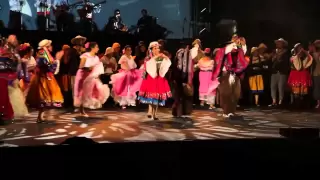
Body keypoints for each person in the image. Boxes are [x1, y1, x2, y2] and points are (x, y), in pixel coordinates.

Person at [212, 19, 249, 118]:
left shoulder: (238, 50)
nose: (236, 39)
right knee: (226, 93)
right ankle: (226, 112)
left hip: (235, 74)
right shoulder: (224, 49)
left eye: (237, 38)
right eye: (234, 38)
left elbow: (243, 53)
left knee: (235, 94)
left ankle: (231, 111)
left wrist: (243, 44)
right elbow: (223, 53)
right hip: (225, 74)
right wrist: (234, 43)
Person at [26, 39, 64, 123]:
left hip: (47, 77)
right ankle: (40, 116)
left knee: (45, 98)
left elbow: (50, 64)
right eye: (50, 45)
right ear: (47, 46)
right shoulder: (43, 53)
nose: (51, 47)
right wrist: (56, 61)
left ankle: (41, 116)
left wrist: (55, 62)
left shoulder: (45, 53)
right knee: (43, 97)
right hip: (43, 78)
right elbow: (45, 64)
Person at [138, 42, 171, 120]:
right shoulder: (148, 57)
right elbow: (147, 65)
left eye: (158, 48)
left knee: (157, 95)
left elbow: (167, 63)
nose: (157, 50)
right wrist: (155, 58)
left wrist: (165, 58)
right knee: (151, 94)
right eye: (155, 48)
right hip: (151, 77)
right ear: (151, 50)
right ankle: (150, 110)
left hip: (159, 77)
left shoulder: (162, 56)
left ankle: (155, 113)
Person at [74, 42, 110, 116]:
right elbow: (81, 66)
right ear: (92, 48)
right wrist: (88, 68)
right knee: (82, 92)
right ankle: (81, 110)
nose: (98, 49)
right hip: (83, 75)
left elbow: (97, 67)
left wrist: (97, 75)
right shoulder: (85, 55)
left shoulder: (96, 57)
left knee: (96, 89)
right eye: (97, 47)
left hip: (92, 75)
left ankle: (87, 106)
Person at [171, 42, 194, 119]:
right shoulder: (187, 53)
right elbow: (187, 67)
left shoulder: (178, 53)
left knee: (179, 95)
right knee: (184, 95)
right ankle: (182, 111)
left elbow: (175, 66)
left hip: (178, 76)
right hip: (183, 76)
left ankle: (178, 111)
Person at [0, 35, 20, 124]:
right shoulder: (6, 51)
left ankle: (4, 114)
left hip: (3, 75)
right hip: (3, 75)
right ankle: (4, 114)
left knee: (3, 95)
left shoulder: (7, 51)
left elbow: (14, 63)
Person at [269, 38, 290, 107]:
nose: (278, 44)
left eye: (280, 43)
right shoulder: (274, 52)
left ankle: (280, 101)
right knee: (273, 86)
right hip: (274, 71)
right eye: (277, 43)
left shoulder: (286, 52)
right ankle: (274, 101)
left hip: (282, 72)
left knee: (281, 87)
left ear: (283, 44)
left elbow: (286, 62)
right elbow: (270, 61)